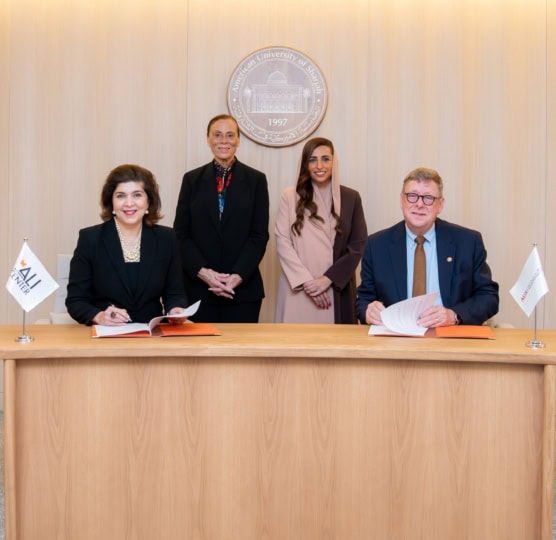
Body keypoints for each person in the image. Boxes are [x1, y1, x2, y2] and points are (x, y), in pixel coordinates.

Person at [356, 167, 499, 327]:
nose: (419, 204)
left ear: (440, 205)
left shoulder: (467, 242)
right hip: (395, 339)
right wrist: (368, 311)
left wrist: (453, 315)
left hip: (449, 337)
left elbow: (489, 297)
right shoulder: (377, 245)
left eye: (428, 198)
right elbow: (363, 300)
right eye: (412, 196)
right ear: (401, 200)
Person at [173, 114, 269, 323]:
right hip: (199, 289)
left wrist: (237, 276)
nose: (223, 141)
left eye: (229, 135)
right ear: (208, 139)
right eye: (217, 135)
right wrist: (204, 273)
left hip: (243, 291)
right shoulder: (191, 180)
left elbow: (259, 235)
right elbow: (181, 234)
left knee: (241, 354)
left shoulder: (256, 180)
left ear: (238, 140)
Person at [66, 164, 187, 325]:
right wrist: (100, 316)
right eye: (121, 196)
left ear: (148, 201)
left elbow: (175, 293)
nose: (129, 203)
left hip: (152, 335)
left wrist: (176, 309)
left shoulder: (167, 238)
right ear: (111, 202)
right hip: (107, 336)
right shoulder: (90, 239)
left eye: (137, 195)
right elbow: (76, 301)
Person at [275, 137, 367, 324]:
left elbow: (358, 245)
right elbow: (282, 241)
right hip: (298, 287)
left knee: (336, 347)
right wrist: (308, 283)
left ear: (334, 161)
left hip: (335, 286)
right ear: (305, 164)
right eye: (312, 159)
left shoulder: (351, 197)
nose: (319, 165)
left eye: (325, 159)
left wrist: (327, 280)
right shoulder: (290, 196)